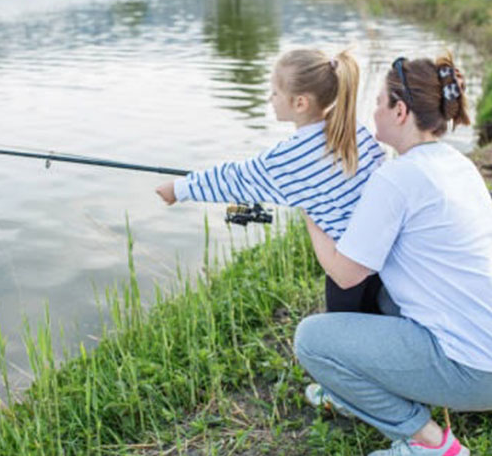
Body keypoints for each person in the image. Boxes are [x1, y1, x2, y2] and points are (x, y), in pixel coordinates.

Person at [293, 53, 492, 456]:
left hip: (481, 370)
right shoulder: (455, 164)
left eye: (377, 101)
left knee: (311, 340)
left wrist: (310, 212)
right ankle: (353, 389)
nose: (372, 111)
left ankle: (430, 443)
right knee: (383, 294)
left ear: (400, 110)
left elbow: (345, 273)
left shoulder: (396, 178)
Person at [155, 48, 386, 312]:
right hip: (379, 253)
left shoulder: (287, 158)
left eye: (275, 93)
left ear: (300, 103)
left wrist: (179, 188)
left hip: (346, 266)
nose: (270, 99)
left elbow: (236, 179)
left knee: (346, 331)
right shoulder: (355, 130)